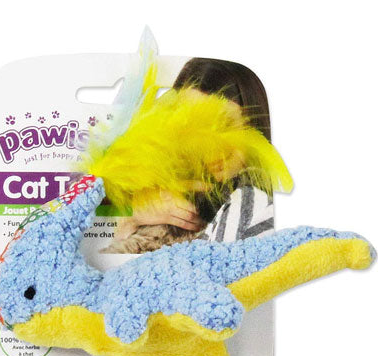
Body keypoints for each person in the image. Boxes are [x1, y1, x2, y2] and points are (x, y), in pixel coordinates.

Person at [103, 58, 275, 253]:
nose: (209, 146)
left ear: (254, 126)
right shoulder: (148, 186)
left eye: (225, 124)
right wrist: (131, 217)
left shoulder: (254, 204)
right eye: (193, 124)